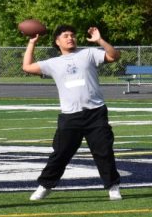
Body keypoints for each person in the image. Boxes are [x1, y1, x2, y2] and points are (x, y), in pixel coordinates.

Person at [22, 23, 122, 201]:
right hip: (70, 115)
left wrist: (100, 40)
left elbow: (114, 56)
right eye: (66, 35)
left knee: (104, 151)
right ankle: (45, 185)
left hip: (95, 112)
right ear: (57, 41)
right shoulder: (53, 63)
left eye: (72, 35)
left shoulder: (88, 53)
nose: (70, 38)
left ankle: (113, 186)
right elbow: (27, 67)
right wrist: (32, 43)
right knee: (60, 153)